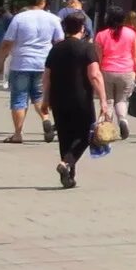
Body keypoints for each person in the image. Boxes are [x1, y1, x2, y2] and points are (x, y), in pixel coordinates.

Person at [44, 12, 110, 189]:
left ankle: (69, 177)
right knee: (85, 135)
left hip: (58, 98)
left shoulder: (56, 48)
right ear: (82, 28)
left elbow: (47, 77)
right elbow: (94, 75)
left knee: (65, 136)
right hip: (81, 98)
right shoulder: (87, 48)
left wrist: (45, 99)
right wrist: (103, 100)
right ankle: (66, 164)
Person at [0, 0, 61, 144]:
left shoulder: (19, 18)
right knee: (38, 96)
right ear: (43, 2)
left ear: (28, 2)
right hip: (44, 63)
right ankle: (45, 119)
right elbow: (59, 42)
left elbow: (7, 42)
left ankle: (18, 134)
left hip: (21, 63)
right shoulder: (53, 19)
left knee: (19, 98)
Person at [93, 7, 136, 139]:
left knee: (108, 101)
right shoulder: (131, 34)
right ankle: (123, 120)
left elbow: (99, 57)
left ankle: (107, 130)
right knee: (121, 100)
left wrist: (98, 72)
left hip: (107, 70)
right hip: (126, 70)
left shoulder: (101, 35)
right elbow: (135, 55)